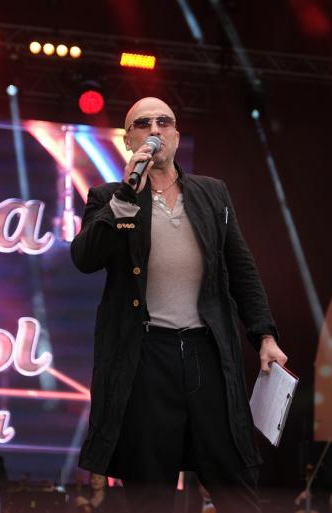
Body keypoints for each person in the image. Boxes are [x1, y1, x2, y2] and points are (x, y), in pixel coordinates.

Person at [71, 96, 287, 513]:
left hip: (207, 351)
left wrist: (264, 335)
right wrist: (124, 196)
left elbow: (241, 269)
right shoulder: (107, 197)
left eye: (163, 122)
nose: (155, 130)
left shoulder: (212, 194)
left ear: (175, 134)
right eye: (143, 124)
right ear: (128, 139)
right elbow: (85, 258)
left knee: (234, 479)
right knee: (149, 486)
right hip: (146, 355)